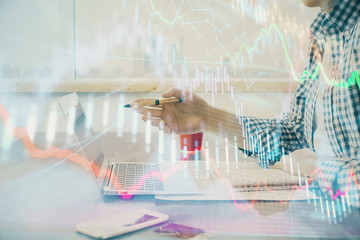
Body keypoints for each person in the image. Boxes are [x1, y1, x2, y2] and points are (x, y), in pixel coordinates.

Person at [134, 0, 360, 206]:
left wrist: (319, 171)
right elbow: (293, 136)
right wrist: (207, 117)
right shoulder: (324, 31)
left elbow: (307, 160)